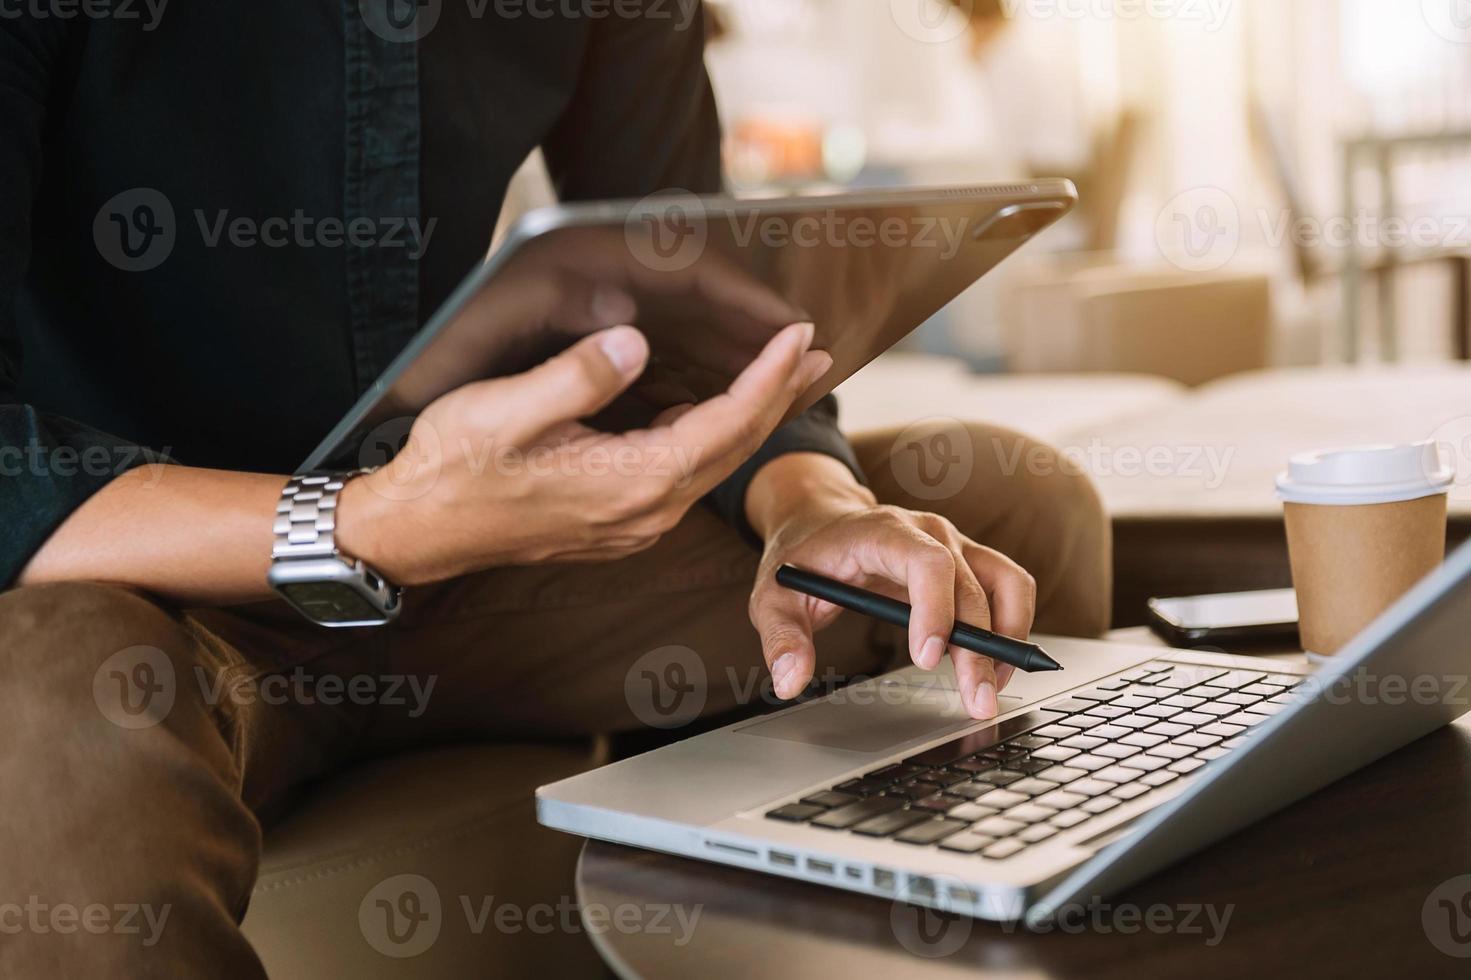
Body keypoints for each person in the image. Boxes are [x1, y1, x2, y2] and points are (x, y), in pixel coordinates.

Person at [0, 2, 1110, 975]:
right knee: (49, 709)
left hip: (475, 567)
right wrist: (371, 522)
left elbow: (695, 309)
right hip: (158, 596)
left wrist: (809, 505)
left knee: (1006, 518)